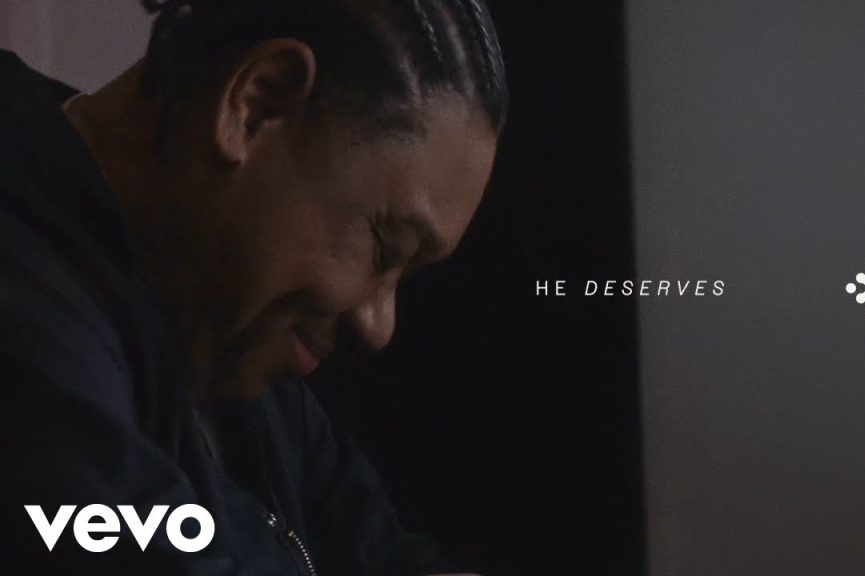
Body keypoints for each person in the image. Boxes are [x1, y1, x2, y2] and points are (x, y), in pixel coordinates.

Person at [0, 0, 507, 574]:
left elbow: (380, 552)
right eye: (384, 248)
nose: (378, 325)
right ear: (258, 104)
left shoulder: (224, 334)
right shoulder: (26, 313)